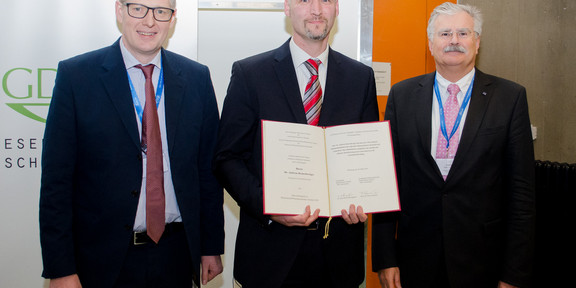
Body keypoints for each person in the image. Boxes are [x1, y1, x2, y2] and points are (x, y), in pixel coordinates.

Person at [39, 1, 224, 287]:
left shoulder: (196, 78)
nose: (150, 21)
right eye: (139, 8)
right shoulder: (77, 77)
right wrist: (61, 268)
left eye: (161, 11)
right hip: (101, 258)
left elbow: (207, 172)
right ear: (119, 11)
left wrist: (211, 247)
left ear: (173, 19)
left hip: (176, 254)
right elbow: (56, 183)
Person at [212, 0, 378, 287]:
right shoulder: (250, 74)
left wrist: (364, 197)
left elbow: (365, 158)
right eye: (304, 0)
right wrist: (269, 207)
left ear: (337, 8)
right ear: (287, 8)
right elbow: (227, 158)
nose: (316, 9)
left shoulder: (360, 78)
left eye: (325, 0)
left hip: (339, 258)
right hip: (269, 254)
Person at [371, 2, 535, 288]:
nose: (454, 41)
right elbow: (388, 181)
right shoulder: (402, 95)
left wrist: (514, 274)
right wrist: (385, 257)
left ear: (477, 41)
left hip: (483, 260)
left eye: (463, 32)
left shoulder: (510, 98)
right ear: (431, 43)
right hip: (414, 258)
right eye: (445, 33)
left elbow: (521, 195)